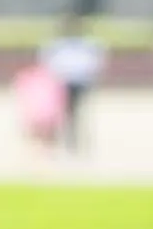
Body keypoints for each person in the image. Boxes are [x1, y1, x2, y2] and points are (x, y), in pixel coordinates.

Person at [41, 19, 106, 155]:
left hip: (79, 82)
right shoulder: (59, 45)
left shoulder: (85, 45)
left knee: (72, 111)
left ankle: (71, 138)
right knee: (66, 112)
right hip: (63, 82)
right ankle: (66, 138)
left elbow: (95, 63)